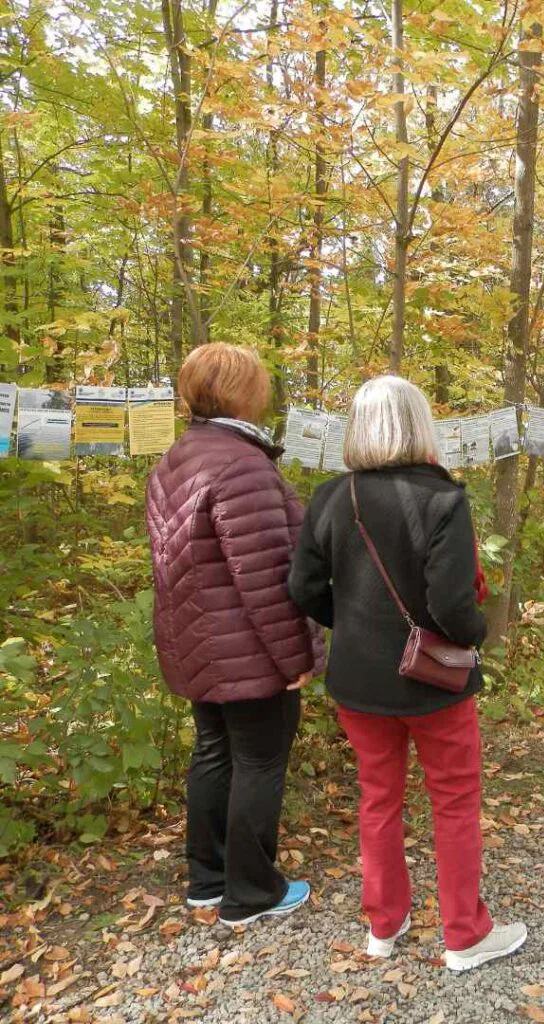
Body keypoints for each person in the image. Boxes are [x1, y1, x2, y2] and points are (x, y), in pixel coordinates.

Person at [287, 375, 527, 972]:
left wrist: (349, 624)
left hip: (358, 680)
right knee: (453, 800)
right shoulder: (443, 498)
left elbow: (302, 588)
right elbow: (450, 604)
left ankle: (383, 927)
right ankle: (464, 935)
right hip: (434, 680)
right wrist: (475, 637)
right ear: (421, 427)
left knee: (378, 799)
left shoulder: (330, 496)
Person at [145, 343, 324, 924]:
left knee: (215, 751)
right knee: (259, 759)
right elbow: (269, 579)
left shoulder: (178, 456)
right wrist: (296, 655)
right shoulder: (241, 464)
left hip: (198, 644)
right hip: (247, 648)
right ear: (242, 392)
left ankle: (208, 878)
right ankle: (251, 893)